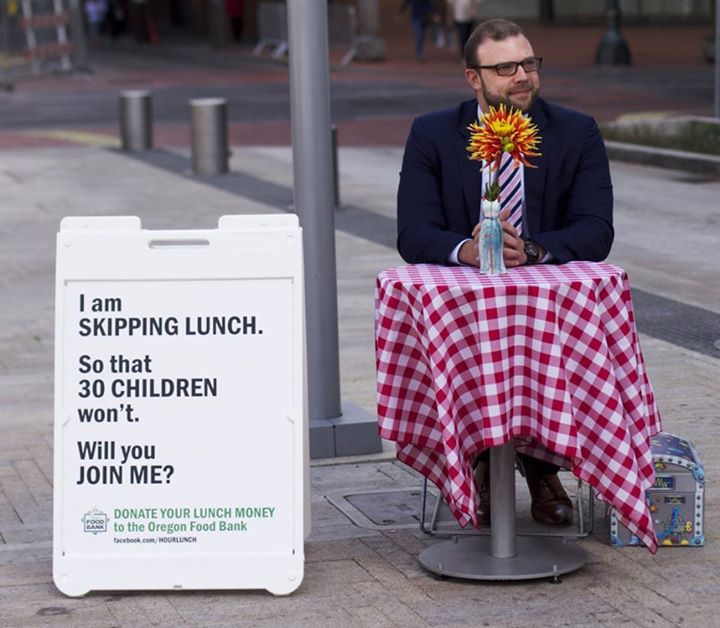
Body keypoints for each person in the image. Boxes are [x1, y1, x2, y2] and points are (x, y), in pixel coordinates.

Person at [396, 18, 614, 527]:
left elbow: (596, 230)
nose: (522, 77)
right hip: (464, 313)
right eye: (505, 68)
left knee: (537, 343)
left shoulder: (575, 131)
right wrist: (466, 250)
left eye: (529, 64)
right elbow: (412, 234)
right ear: (474, 78)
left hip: (548, 313)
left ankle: (541, 467)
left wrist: (534, 251)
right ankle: (478, 464)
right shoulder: (431, 133)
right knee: (479, 346)